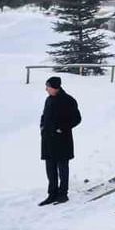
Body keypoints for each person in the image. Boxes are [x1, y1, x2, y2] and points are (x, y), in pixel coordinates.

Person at [39, 76, 81, 206]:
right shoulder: (48, 100)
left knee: (62, 168)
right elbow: (44, 116)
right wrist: (42, 126)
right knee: (50, 168)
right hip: (48, 140)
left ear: (55, 87)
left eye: (48, 87)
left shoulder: (68, 100)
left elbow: (77, 119)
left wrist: (61, 128)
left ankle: (63, 194)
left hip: (62, 141)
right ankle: (52, 194)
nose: (46, 89)